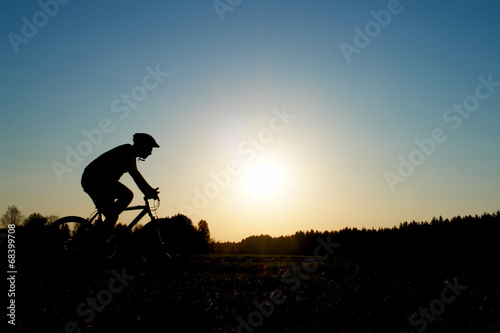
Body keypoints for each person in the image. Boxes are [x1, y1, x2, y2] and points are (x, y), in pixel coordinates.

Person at [81, 133, 160, 236]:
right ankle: (99, 239)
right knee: (127, 196)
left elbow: (137, 175)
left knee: (113, 216)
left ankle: (101, 241)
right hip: (94, 180)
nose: (150, 152)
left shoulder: (131, 155)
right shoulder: (127, 152)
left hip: (100, 181)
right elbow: (135, 175)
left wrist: (148, 191)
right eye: (150, 148)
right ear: (142, 145)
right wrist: (149, 191)